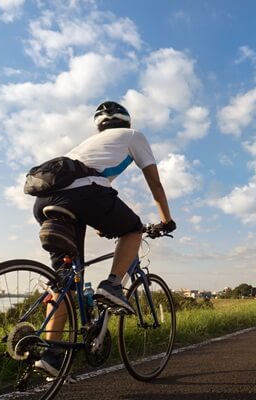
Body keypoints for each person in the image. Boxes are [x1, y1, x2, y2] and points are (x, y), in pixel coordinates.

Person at [32, 101, 176, 377]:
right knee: (133, 229)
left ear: (99, 125)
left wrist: (100, 223)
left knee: (64, 282)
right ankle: (112, 286)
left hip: (45, 200)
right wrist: (166, 219)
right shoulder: (134, 136)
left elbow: (82, 188)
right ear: (126, 121)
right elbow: (155, 184)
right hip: (84, 195)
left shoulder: (87, 146)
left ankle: (51, 354)